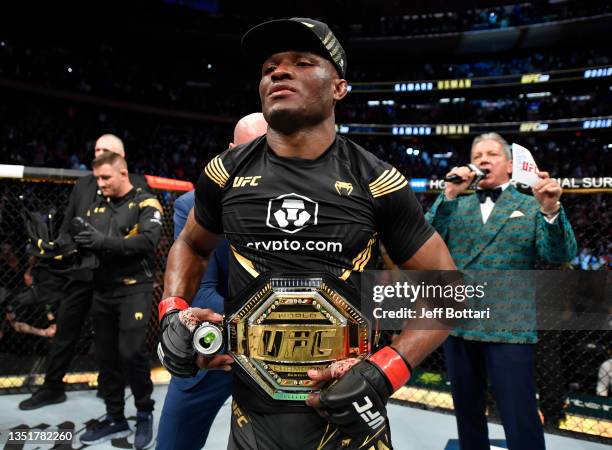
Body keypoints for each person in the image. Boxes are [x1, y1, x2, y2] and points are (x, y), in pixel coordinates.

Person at [157, 18, 457, 449]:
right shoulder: (224, 172)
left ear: (339, 87)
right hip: (251, 419)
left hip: (346, 420)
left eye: (302, 62)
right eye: (269, 67)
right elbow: (190, 244)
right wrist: (172, 311)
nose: (278, 72)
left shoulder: (378, 181)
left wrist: (385, 369)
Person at [425, 132, 577, 450]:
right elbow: (423, 244)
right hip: (461, 324)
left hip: (509, 326)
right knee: (467, 412)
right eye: (477, 154)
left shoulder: (532, 204)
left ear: (509, 165)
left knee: (519, 413)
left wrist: (551, 210)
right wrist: (449, 193)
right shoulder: (456, 204)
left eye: (492, 154)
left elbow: (559, 255)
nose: (482, 159)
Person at [156, 113, 267, 450]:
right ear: (230, 151)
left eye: (264, 152)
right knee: (173, 444)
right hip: (216, 344)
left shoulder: (305, 206)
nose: (254, 162)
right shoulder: (194, 205)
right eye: (246, 152)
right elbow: (200, 291)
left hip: (284, 354)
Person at [19, 134, 149, 411]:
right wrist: (56, 247)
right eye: (96, 149)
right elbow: (68, 226)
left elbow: (130, 230)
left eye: (106, 150)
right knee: (66, 329)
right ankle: (52, 386)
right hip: (81, 271)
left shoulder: (136, 183)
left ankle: (109, 388)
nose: (98, 154)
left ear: (121, 159)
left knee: (110, 338)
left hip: (113, 273)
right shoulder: (83, 184)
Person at [74, 152, 161, 449]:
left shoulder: (145, 202)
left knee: (132, 353)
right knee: (106, 357)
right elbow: (87, 244)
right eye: (97, 178)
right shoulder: (97, 206)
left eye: (105, 177)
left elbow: (149, 241)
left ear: (123, 174)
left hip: (135, 288)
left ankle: (144, 413)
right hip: (102, 289)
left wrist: (103, 243)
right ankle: (115, 417)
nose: (100, 183)